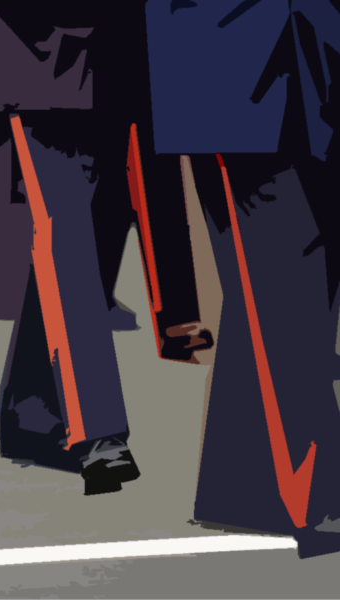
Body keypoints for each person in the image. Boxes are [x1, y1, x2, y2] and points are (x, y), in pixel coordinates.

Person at [145, 0, 340, 558]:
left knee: (297, 287)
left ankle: (242, 488)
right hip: (240, 63)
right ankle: (296, 495)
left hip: (299, 57)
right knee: (287, 288)